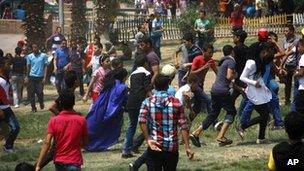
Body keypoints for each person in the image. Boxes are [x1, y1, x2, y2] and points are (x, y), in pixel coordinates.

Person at [139, 74, 194, 170]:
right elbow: (183, 126)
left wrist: (148, 138)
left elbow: (141, 120)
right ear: (168, 86)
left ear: (155, 87)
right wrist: (187, 146)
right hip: (171, 147)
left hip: (155, 146)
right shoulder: (176, 103)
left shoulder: (147, 102)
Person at [190, 45, 237, 147]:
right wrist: (235, 76)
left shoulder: (222, 61)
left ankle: (195, 133)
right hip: (222, 90)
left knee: (214, 113)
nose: (211, 54)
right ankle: (221, 136)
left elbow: (218, 73)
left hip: (214, 89)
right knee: (232, 112)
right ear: (232, 52)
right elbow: (229, 76)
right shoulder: (231, 61)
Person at [35, 92, 88, 171]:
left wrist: (39, 164)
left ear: (60, 104)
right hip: (74, 160)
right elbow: (85, 142)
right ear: (73, 103)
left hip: (60, 161)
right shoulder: (81, 120)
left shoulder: (54, 121)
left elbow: (47, 143)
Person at [237, 42, 272, 144]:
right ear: (258, 52)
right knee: (265, 115)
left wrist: (263, 87)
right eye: (263, 52)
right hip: (253, 91)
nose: (265, 54)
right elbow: (242, 77)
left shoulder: (259, 60)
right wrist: (254, 83)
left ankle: (261, 138)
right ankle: (242, 126)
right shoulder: (251, 62)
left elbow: (258, 76)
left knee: (265, 115)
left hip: (259, 90)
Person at [86, 68, 128, 151]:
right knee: (102, 129)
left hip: (99, 107)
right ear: (124, 77)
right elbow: (114, 103)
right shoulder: (121, 87)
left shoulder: (110, 83)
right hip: (107, 111)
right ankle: (94, 145)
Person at [122, 55, 152, 158]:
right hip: (141, 102)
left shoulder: (132, 75)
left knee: (132, 126)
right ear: (145, 63)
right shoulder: (147, 73)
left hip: (131, 102)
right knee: (150, 124)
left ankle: (126, 150)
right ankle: (141, 145)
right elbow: (148, 90)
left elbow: (129, 88)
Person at [0, 57, 20, 153]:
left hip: (6, 108)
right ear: (1, 66)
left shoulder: (6, 76)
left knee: (16, 127)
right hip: (0, 109)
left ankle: (8, 146)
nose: (10, 66)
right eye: (8, 64)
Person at [281, 25, 300, 105]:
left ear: (292, 31)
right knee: (287, 84)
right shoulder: (284, 40)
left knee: (296, 84)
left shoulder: (297, 40)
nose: (285, 33)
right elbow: (283, 53)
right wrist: (283, 65)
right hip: (287, 66)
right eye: (284, 31)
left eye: (287, 31)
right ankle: (287, 101)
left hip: (296, 66)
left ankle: (296, 102)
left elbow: (289, 53)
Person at [26, 44, 48, 112]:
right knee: (31, 93)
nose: (34, 49)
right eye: (33, 48)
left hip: (40, 77)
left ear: (38, 48)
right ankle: (33, 108)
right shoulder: (29, 56)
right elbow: (28, 67)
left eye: (35, 47)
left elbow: (45, 67)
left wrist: (45, 77)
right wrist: (27, 76)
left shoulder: (44, 55)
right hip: (32, 77)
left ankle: (41, 102)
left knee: (40, 92)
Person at [294, 39, 304, 114]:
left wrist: (296, 73)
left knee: (299, 108)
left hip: (302, 87)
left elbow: (301, 73)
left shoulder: (302, 58)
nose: (298, 49)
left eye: (299, 47)